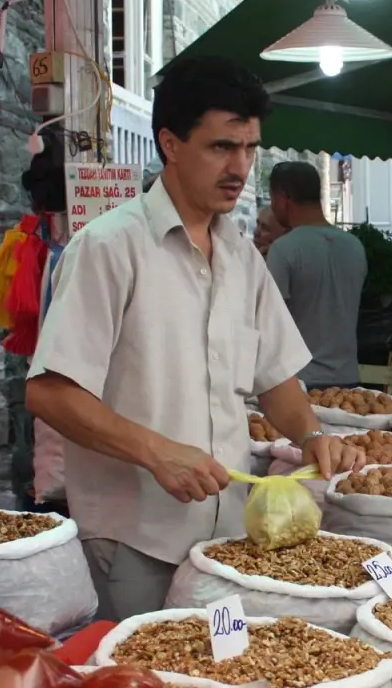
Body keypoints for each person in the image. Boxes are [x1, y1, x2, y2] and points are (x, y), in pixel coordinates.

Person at [25, 55, 363, 622]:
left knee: (213, 685)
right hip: (138, 537)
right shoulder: (110, 248)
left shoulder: (241, 255)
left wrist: (310, 435)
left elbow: (275, 377)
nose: (240, 167)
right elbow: (50, 393)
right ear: (171, 143)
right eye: (221, 147)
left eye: (250, 148)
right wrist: (158, 452)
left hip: (227, 536)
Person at [266, 161, 368, 390]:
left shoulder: (284, 250)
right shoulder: (354, 246)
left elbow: (269, 321)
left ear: (283, 198)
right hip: (348, 380)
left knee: (311, 429)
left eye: (272, 199)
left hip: (299, 382)